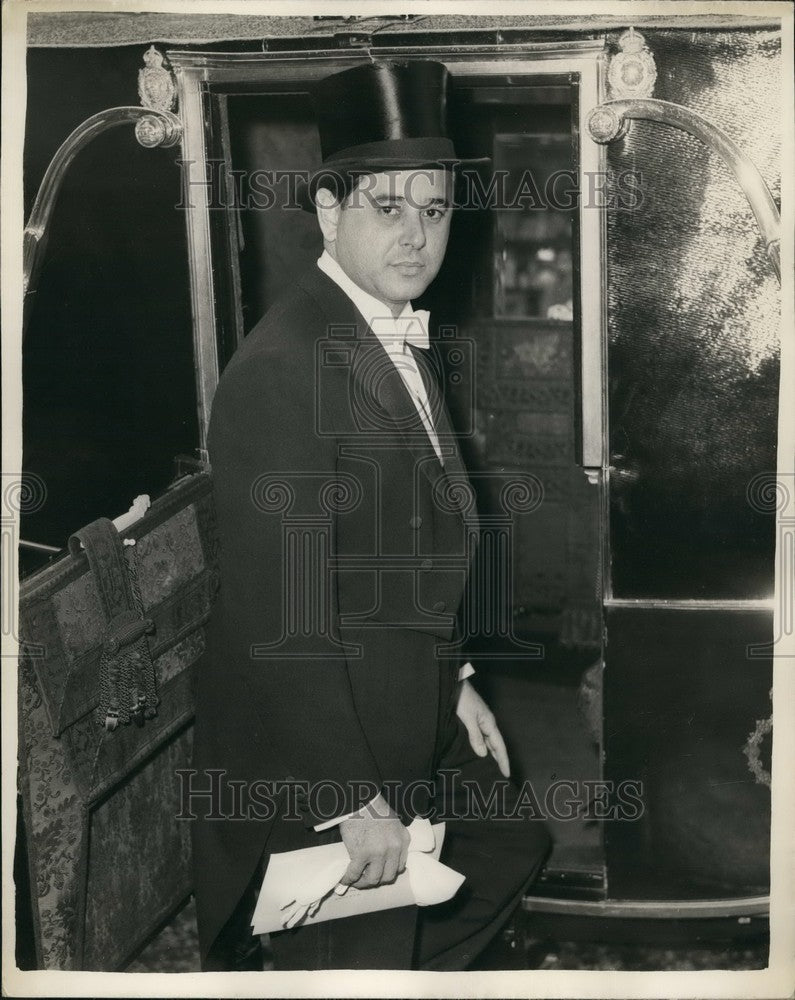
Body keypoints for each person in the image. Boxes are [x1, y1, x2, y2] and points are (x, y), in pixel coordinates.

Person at [191, 59, 550, 971]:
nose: (416, 236)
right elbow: (282, 613)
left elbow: (410, 538)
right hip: (318, 754)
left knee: (513, 842)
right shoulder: (283, 369)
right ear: (327, 212)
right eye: (387, 208)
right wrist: (351, 799)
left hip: (407, 697)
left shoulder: (383, 328)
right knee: (363, 966)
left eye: (433, 211)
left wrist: (456, 676)